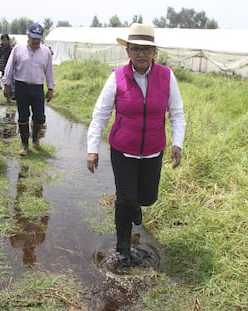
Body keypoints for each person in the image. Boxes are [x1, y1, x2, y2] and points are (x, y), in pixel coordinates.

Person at [86, 23, 186, 267]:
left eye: (146, 49)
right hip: (123, 150)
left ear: (154, 52)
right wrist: (92, 148)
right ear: (127, 52)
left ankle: (136, 207)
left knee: (147, 197)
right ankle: (123, 250)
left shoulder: (166, 76)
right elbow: (100, 114)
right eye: (135, 49)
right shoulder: (117, 77)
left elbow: (177, 112)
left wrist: (177, 142)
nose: (141, 54)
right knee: (124, 199)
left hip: (153, 150)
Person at [3, 23, 55, 156]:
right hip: (21, 87)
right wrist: (7, 84)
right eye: (33, 38)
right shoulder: (18, 49)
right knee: (23, 116)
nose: (36, 41)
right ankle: (24, 143)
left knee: (39, 117)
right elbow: (9, 67)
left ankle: (35, 137)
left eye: (38, 39)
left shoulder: (46, 52)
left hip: (37, 87)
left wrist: (50, 88)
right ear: (28, 36)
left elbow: (49, 71)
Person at [0, 33, 14, 103]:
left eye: (5, 40)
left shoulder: (10, 49)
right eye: (3, 40)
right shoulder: (0, 48)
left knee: (8, 83)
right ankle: (7, 97)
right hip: (1, 68)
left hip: (8, 68)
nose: (4, 41)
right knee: (3, 82)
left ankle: (9, 98)